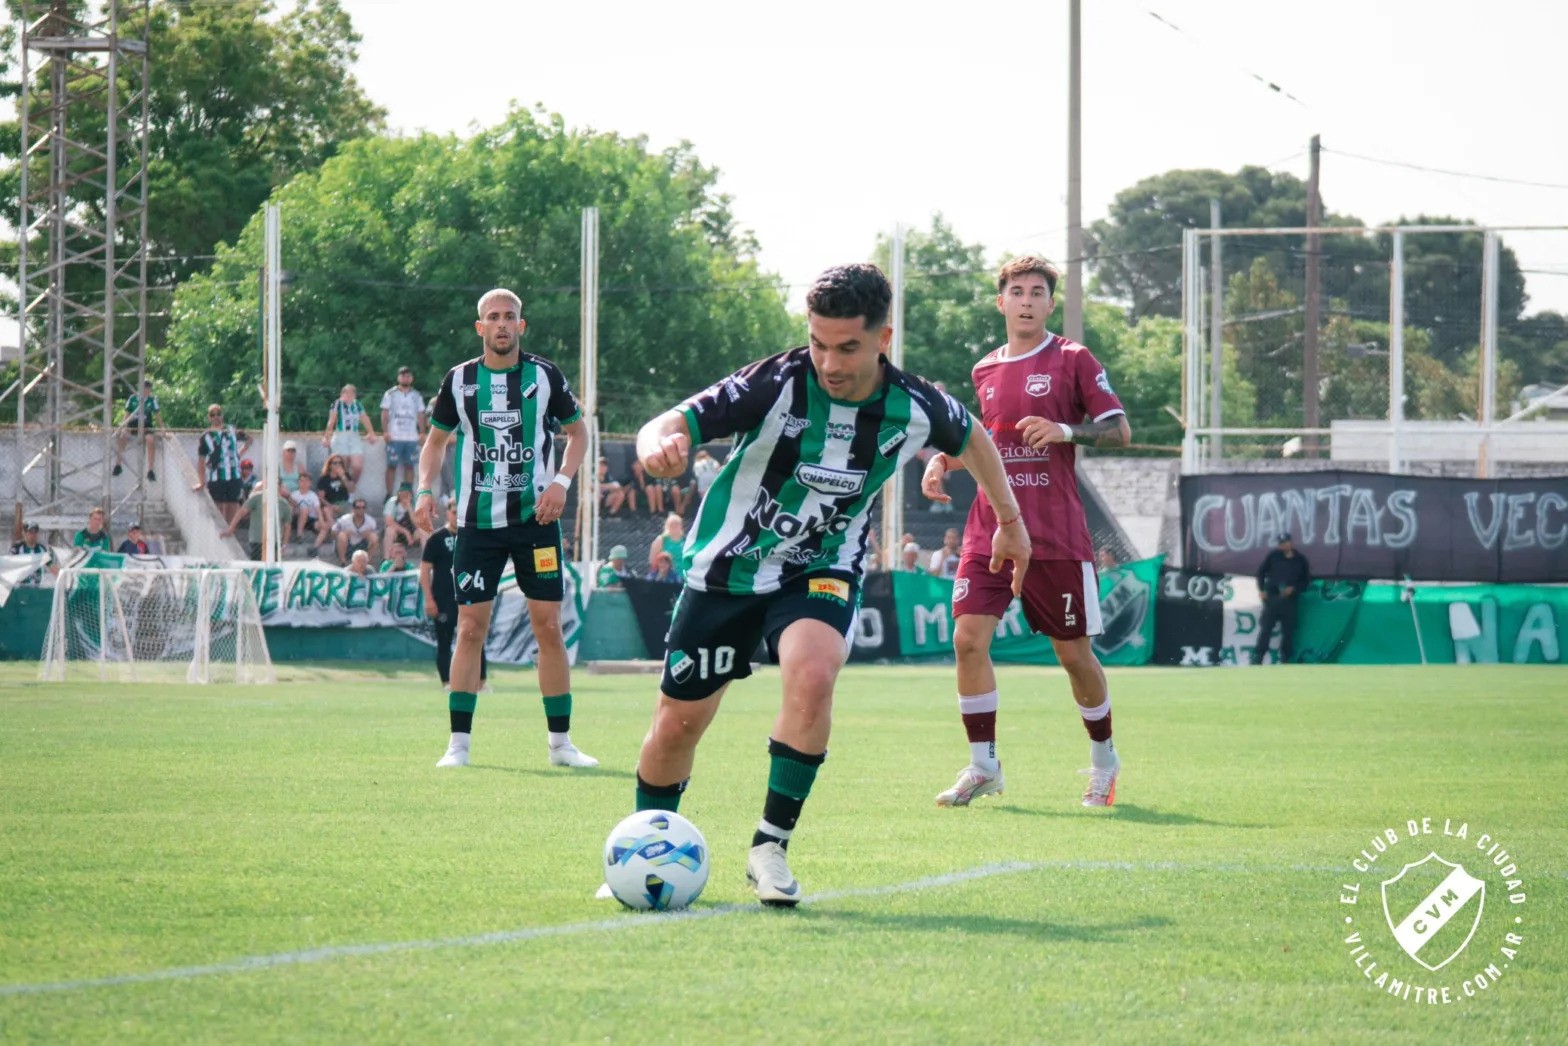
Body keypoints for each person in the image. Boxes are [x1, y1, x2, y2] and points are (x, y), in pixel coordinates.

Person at [618, 263, 1029, 906]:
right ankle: (643, 844)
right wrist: (654, 444)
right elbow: (673, 420)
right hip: (726, 571)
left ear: (882, 338)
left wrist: (1010, 521)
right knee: (676, 727)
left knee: (813, 674)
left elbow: (974, 436)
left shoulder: (914, 405)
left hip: (822, 568)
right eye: (818, 343)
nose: (829, 363)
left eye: (847, 347)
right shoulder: (776, 382)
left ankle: (769, 849)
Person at [922, 256, 1131, 810]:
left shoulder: (1073, 359)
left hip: (1056, 536)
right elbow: (986, 444)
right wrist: (943, 460)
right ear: (1001, 301)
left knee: (1074, 658)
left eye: (1038, 292)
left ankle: (1104, 761)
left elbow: (1119, 430)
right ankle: (983, 766)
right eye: (1017, 291)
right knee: (967, 641)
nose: (1027, 300)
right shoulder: (985, 369)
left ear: (1049, 302)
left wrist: (1065, 430)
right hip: (989, 529)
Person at [413, 286, 596, 770]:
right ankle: (458, 746)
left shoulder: (544, 376)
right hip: (477, 525)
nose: (500, 324)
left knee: (549, 627)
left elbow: (579, 433)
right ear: (480, 328)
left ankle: (561, 745)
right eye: (492, 317)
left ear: (521, 325)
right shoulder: (460, 382)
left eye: (508, 316)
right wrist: (424, 488)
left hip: (537, 521)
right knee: (470, 627)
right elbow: (434, 444)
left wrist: (560, 483)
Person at [421, 500, 488, 691]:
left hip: (471, 597)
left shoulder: (474, 537)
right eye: (454, 511)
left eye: (461, 512)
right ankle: (447, 683)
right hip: (443, 599)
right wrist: (429, 599)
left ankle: (480, 682)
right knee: (444, 641)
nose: (457, 515)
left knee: (476, 638)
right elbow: (425, 571)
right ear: (447, 514)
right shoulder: (437, 539)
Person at [1254, 532, 1311, 664]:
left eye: (1285, 542)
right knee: (1266, 629)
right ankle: (1259, 657)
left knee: (1288, 631)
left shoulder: (1300, 560)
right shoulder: (1273, 556)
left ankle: (1285, 658)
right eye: (1281, 543)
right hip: (1273, 597)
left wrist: (1294, 588)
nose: (1283, 545)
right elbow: (1261, 572)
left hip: (1289, 600)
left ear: (1290, 543)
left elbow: (1306, 581)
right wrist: (1261, 589)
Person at [193, 404, 250, 525]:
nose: (216, 417)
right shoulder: (205, 437)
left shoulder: (231, 430)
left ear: (222, 416)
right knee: (218, 509)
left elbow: (249, 440)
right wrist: (202, 482)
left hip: (234, 477)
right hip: (216, 478)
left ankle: (230, 536)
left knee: (233, 507)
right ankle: (219, 538)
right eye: (212, 415)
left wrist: (238, 454)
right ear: (209, 418)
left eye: (218, 414)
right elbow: (201, 461)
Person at [381, 366, 427, 495]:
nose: (405, 378)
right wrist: (385, 431)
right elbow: (384, 413)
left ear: (411, 378)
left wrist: (422, 432)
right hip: (394, 436)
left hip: (411, 437)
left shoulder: (416, 395)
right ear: (398, 377)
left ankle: (409, 493)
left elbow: (420, 414)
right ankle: (389, 494)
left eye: (407, 375)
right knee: (391, 465)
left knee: (410, 465)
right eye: (402, 375)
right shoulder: (390, 394)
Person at [323, 384, 377, 486]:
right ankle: (342, 490)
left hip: (354, 435)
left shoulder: (357, 404)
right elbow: (332, 420)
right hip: (340, 435)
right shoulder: (337, 404)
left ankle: (351, 486)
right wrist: (326, 437)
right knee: (343, 465)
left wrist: (371, 433)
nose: (349, 395)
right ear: (342, 394)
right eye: (346, 393)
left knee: (357, 466)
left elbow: (364, 418)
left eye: (351, 393)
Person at [224, 480, 291, 559]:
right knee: (257, 566)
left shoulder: (284, 504)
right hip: (257, 540)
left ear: (280, 487)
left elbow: (287, 526)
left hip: (275, 541)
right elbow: (241, 513)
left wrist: (284, 544)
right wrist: (231, 528)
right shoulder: (257, 498)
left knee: (273, 567)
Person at [113, 379, 161, 481]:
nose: (147, 391)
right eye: (145, 389)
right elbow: (127, 414)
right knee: (123, 436)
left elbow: (157, 415)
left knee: (150, 440)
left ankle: (150, 470)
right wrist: (122, 427)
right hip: (133, 424)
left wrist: (163, 429)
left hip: (146, 425)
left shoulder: (152, 400)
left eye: (149, 389)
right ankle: (118, 464)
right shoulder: (133, 398)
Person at [290, 473, 331, 554]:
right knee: (304, 509)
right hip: (296, 519)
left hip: (310, 520)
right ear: (298, 482)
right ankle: (299, 536)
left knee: (324, 526)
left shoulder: (313, 496)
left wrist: (322, 522)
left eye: (306, 481)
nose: (304, 483)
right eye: (301, 481)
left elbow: (318, 510)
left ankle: (315, 548)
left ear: (310, 483)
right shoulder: (294, 494)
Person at [332, 497, 380, 566]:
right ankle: (343, 562)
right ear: (353, 509)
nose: (361, 509)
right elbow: (333, 532)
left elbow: (377, 538)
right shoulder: (344, 519)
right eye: (358, 507)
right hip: (347, 545)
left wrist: (368, 534)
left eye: (363, 507)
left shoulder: (371, 521)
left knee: (374, 537)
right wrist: (345, 532)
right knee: (342, 535)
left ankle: (367, 562)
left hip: (362, 546)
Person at [317, 456, 353, 521]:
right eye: (335, 463)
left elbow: (351, 490)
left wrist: (343, 476)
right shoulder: (324, 479)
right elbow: (321, 498)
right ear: (330, 465)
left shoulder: (346, 475)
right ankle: (333, 529)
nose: (338, 465)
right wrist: (332, 506)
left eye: (340, 463)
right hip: (330, 504)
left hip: (344, 503)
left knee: (356, 512)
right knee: (327, 511)